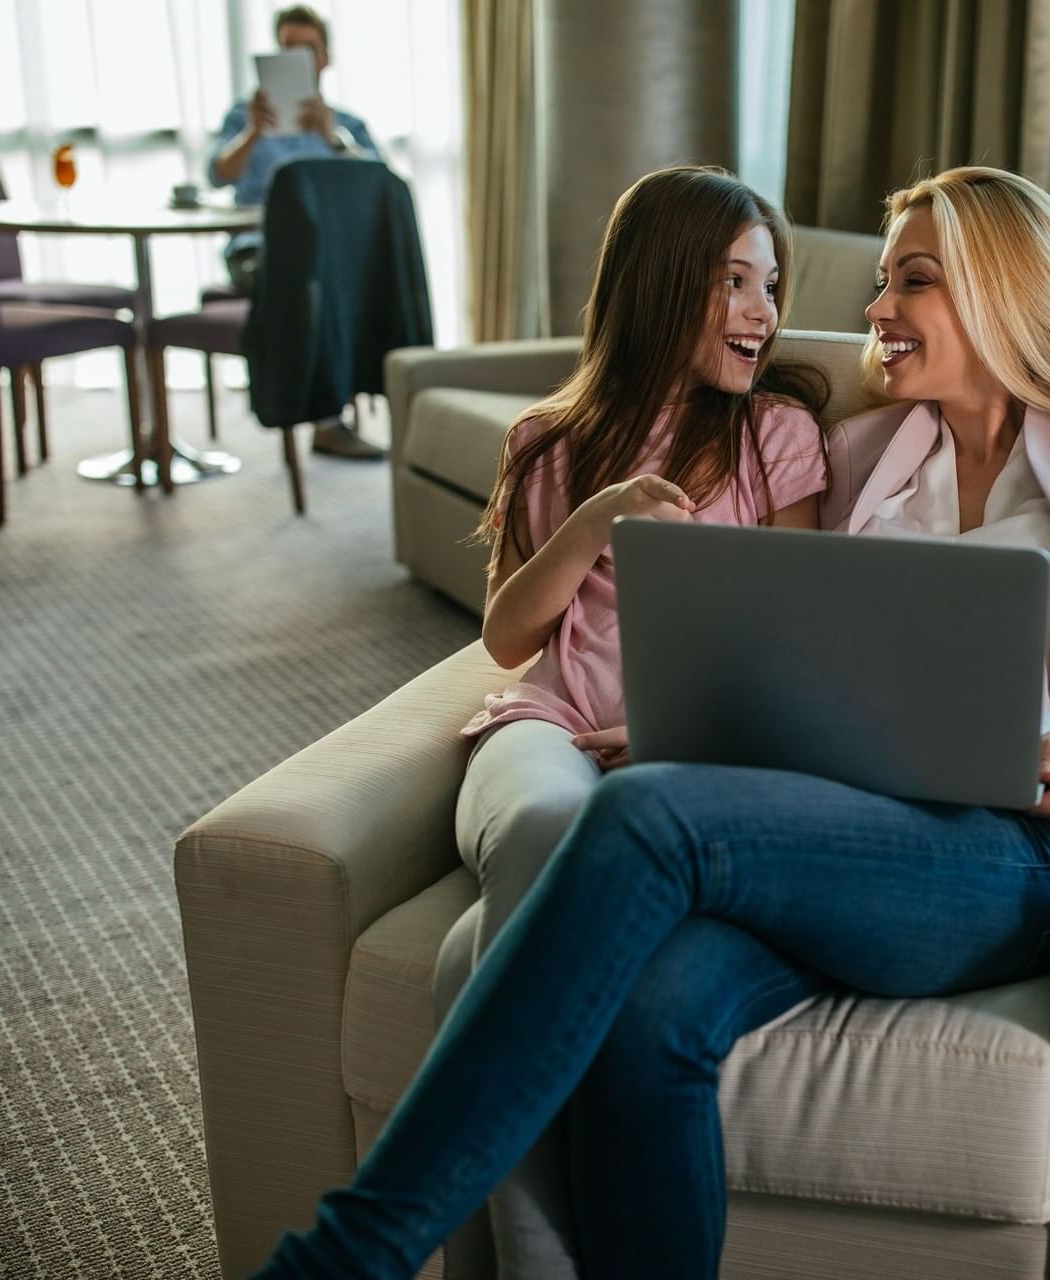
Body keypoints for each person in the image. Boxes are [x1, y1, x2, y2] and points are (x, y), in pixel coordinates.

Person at [251, 166, 1050, 1280]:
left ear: (999, 291)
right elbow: (779, 646)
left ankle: (348, 1252)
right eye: (879, 282)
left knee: (648, 809)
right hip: (834, 829)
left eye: (911, 281)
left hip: (1010, 849)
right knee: (645, 1013)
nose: (873, 311)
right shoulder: (866, 451)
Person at [441, 162, 829, 1276]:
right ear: (662, 284)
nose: (764, 311)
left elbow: (793, 637)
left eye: (771, 284)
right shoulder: (548, 443)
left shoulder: (777, 438)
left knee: (466, 965)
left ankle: (520, 1256)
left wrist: (674, 726)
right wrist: (600, 515)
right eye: (736, 282)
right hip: (548, 727)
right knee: (535, 830)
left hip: (686, 754)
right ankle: (538, 1259)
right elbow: (509, 637)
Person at [207, 4, 384, 458]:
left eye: (307, 48)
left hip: (331, 257)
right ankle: (323, 418)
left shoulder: (345, 125)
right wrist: (252, 133)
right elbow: (218, 175)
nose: (297, 56)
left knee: (349, 277)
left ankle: (376, 398)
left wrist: (332, 137)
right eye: (287, 48)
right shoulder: (243, 117)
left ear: (325, 58)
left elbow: (382, 185)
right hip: (256, 253)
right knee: (305, 278)